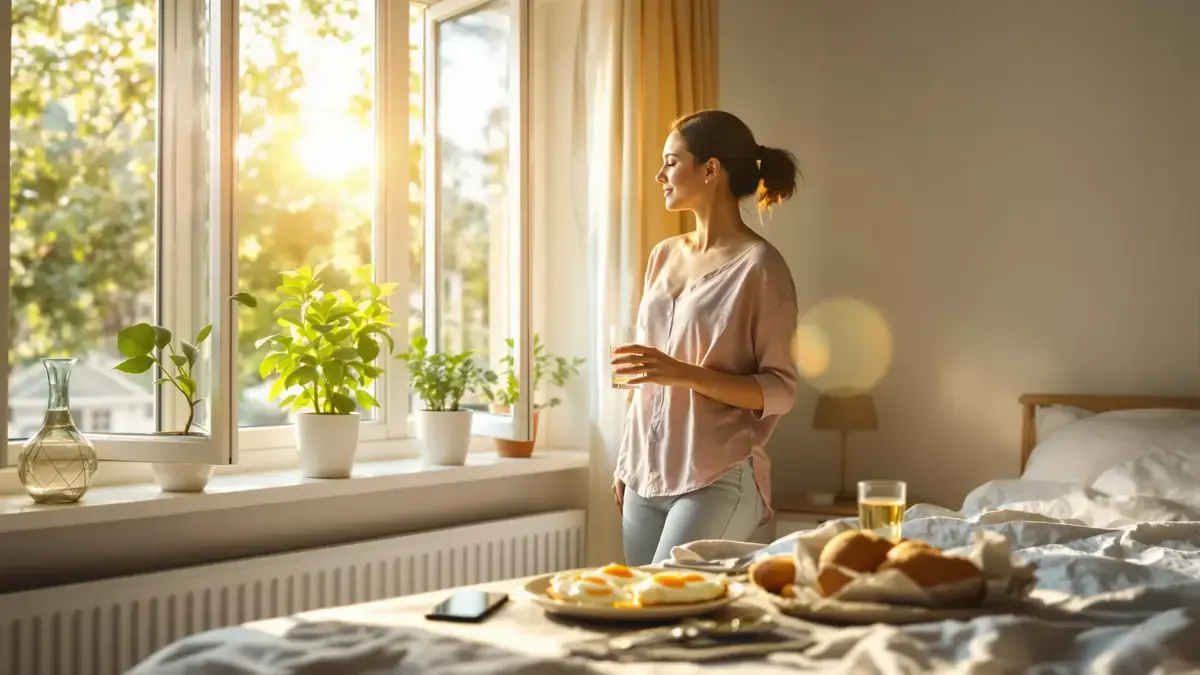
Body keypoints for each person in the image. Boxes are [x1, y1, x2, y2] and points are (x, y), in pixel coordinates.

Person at [610, 109, 801, 566]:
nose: (660, 175)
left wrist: (684, 374)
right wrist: (625, 457)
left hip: (717, 477)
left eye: (671, 161)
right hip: (643, 474)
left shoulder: (761, 267)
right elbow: (642, 379)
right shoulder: (662, 256)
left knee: (666, 600)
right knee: (640, 614)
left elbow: (781, 390)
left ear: (710, 169)